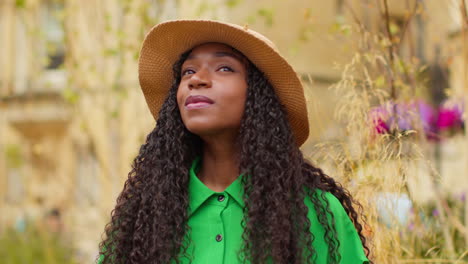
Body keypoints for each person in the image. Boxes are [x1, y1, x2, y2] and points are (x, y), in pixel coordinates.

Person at [97, 19, 371, 264]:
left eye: (224, 68)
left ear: (259, 96)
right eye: (188, 71)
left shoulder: (315, 213)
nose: (197, 80)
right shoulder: (145, 213)